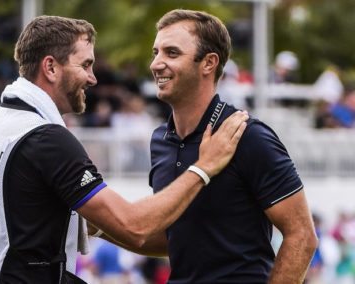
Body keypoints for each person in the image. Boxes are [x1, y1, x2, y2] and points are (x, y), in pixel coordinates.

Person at [0, 15, 248, 283]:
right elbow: (135, 227)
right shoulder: (46, 139)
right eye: (85, 65)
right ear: (51, 67)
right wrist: (203, 167)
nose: (93, 78)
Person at [94, 9, 316, 283]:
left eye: (172, 53)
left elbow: (302, 236)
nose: (156, 64)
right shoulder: (160, 139)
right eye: (156, 52)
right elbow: (175, 235)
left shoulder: (246, 135)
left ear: (209, 63)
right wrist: (98, 225)